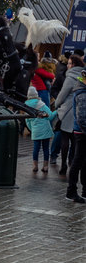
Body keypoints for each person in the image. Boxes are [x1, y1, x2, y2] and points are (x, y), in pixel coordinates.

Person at [54, 54, 85, 176]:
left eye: (70, 63)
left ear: (74, 65)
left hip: (67, 111)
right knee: (75, 140)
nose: (68, 65)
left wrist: (56, 105)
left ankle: (63, 165)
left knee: (65, 139)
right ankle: (72, 162)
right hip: (79, 111)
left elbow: (62, 95)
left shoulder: (70, 77)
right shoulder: (83, 76)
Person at [66, 67, 86, 203]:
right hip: (82, 132)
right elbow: (82, 117)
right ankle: (71, 192)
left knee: (82, 161)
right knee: (78, 161)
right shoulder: (82, 93)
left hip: (81, 131)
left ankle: (83, 191)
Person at [25, 86, 56, 173]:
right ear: (36, 94)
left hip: (35, 130)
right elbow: (50, 116)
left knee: (36, 149)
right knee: (46, 148)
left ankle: (35, 166)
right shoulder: (41, 104)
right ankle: (45, 166)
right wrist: (57, 111)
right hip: (45, 130)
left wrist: (32, 129)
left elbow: (27, 121)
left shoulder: (26, 106)